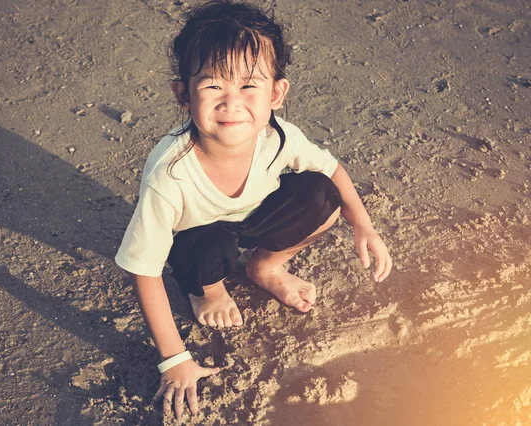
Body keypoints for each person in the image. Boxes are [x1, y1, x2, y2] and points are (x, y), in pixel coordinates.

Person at [115, 0, 392, 418]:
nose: (231, 103)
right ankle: (207, 289)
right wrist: (174, 359)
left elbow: (330, 168)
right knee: (209, 248)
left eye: (248, 86)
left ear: (276, 93)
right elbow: (144, 269)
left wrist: (364, 224)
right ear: (183, 95)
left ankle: (266, 267)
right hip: (198, 239)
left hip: (253, 218)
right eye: (212, 87)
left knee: (321, 196)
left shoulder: (278, 137)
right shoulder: (169, 176)